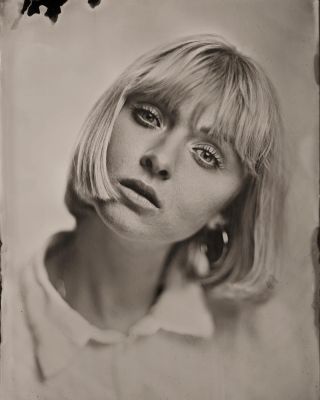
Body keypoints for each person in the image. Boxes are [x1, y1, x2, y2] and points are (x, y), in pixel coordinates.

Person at [12, 33, 314, 400]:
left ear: (228, 210)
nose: (160, 158)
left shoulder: (258, 351)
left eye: (206, 154)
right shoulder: (9, 320)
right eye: (149, 116)